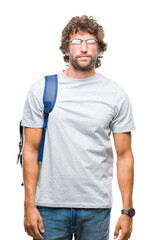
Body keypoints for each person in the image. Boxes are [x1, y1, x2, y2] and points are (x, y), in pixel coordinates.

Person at [21, 15, 136, 240]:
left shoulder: (115, 94)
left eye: (90, 42)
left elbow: (125, 156)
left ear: (99, 50)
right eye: (76, 42)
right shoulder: (42, 89)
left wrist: (127, 211)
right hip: (49, 208)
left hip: (96, 208)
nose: (83, 48)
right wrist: (29, 206)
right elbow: (30, 151)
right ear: (66, 50)